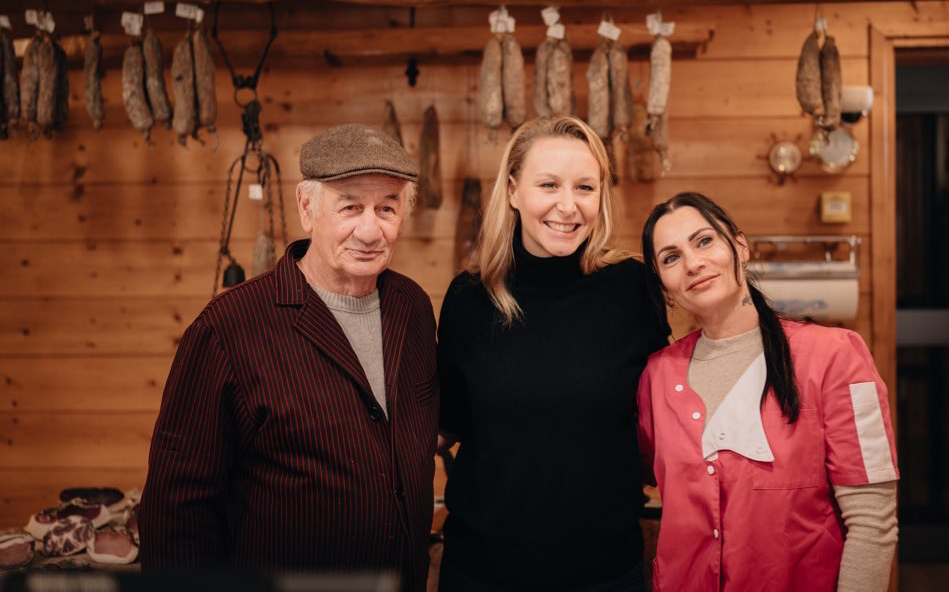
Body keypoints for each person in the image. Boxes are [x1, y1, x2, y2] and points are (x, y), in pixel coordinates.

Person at [140, 124, 439, 592]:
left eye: (387, 208)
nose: (369, 229)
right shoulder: (228, 328)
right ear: (306, 207)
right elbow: (178, 507)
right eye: (350, 207)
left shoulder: (413, 308)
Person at [436, 116, 668, 592]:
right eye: (549, 185)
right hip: (484, 571)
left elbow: (660, 413)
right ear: (514, 190)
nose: (569, 206)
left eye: (585, 187)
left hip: (606, 572)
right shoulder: (468, 299)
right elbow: (451, 423)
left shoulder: (631, 287)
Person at [637, 192, 898, 591]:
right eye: (671, 258)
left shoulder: (837, 356)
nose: (693, 263)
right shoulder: (656, 376)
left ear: (739, 246)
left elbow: (873, 522)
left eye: (704, 241)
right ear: (664, 286)